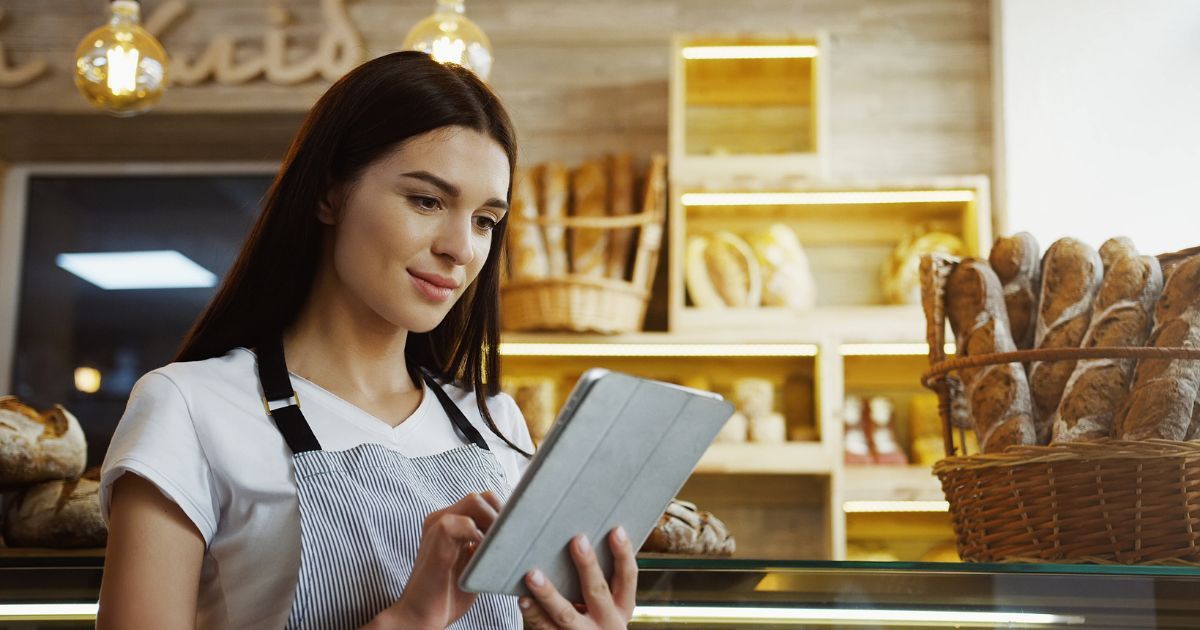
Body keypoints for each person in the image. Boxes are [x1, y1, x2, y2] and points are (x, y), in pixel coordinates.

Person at [96, 51, 638, 629]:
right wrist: (405, 620)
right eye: (427, 201)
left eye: (485, 220)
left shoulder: (494, 424)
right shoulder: (189, 406)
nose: (461, 248)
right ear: (329, 195)